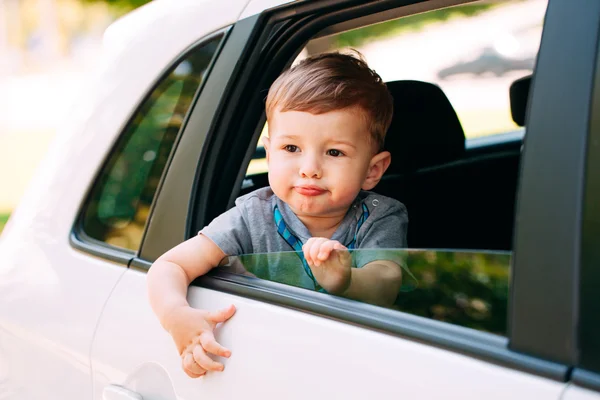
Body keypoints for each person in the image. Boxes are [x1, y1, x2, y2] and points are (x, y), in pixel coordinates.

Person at [147, 51, 408, 378]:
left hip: (354, 367)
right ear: (269, 155)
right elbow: (170, 265)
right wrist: (176, 316)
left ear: (373, 170)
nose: (310, 169)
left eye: (334, 152)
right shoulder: (252, 216)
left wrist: (347, 280)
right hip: (270, 367)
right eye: (292, 149)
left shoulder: (379, 216)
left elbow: (385, 283)